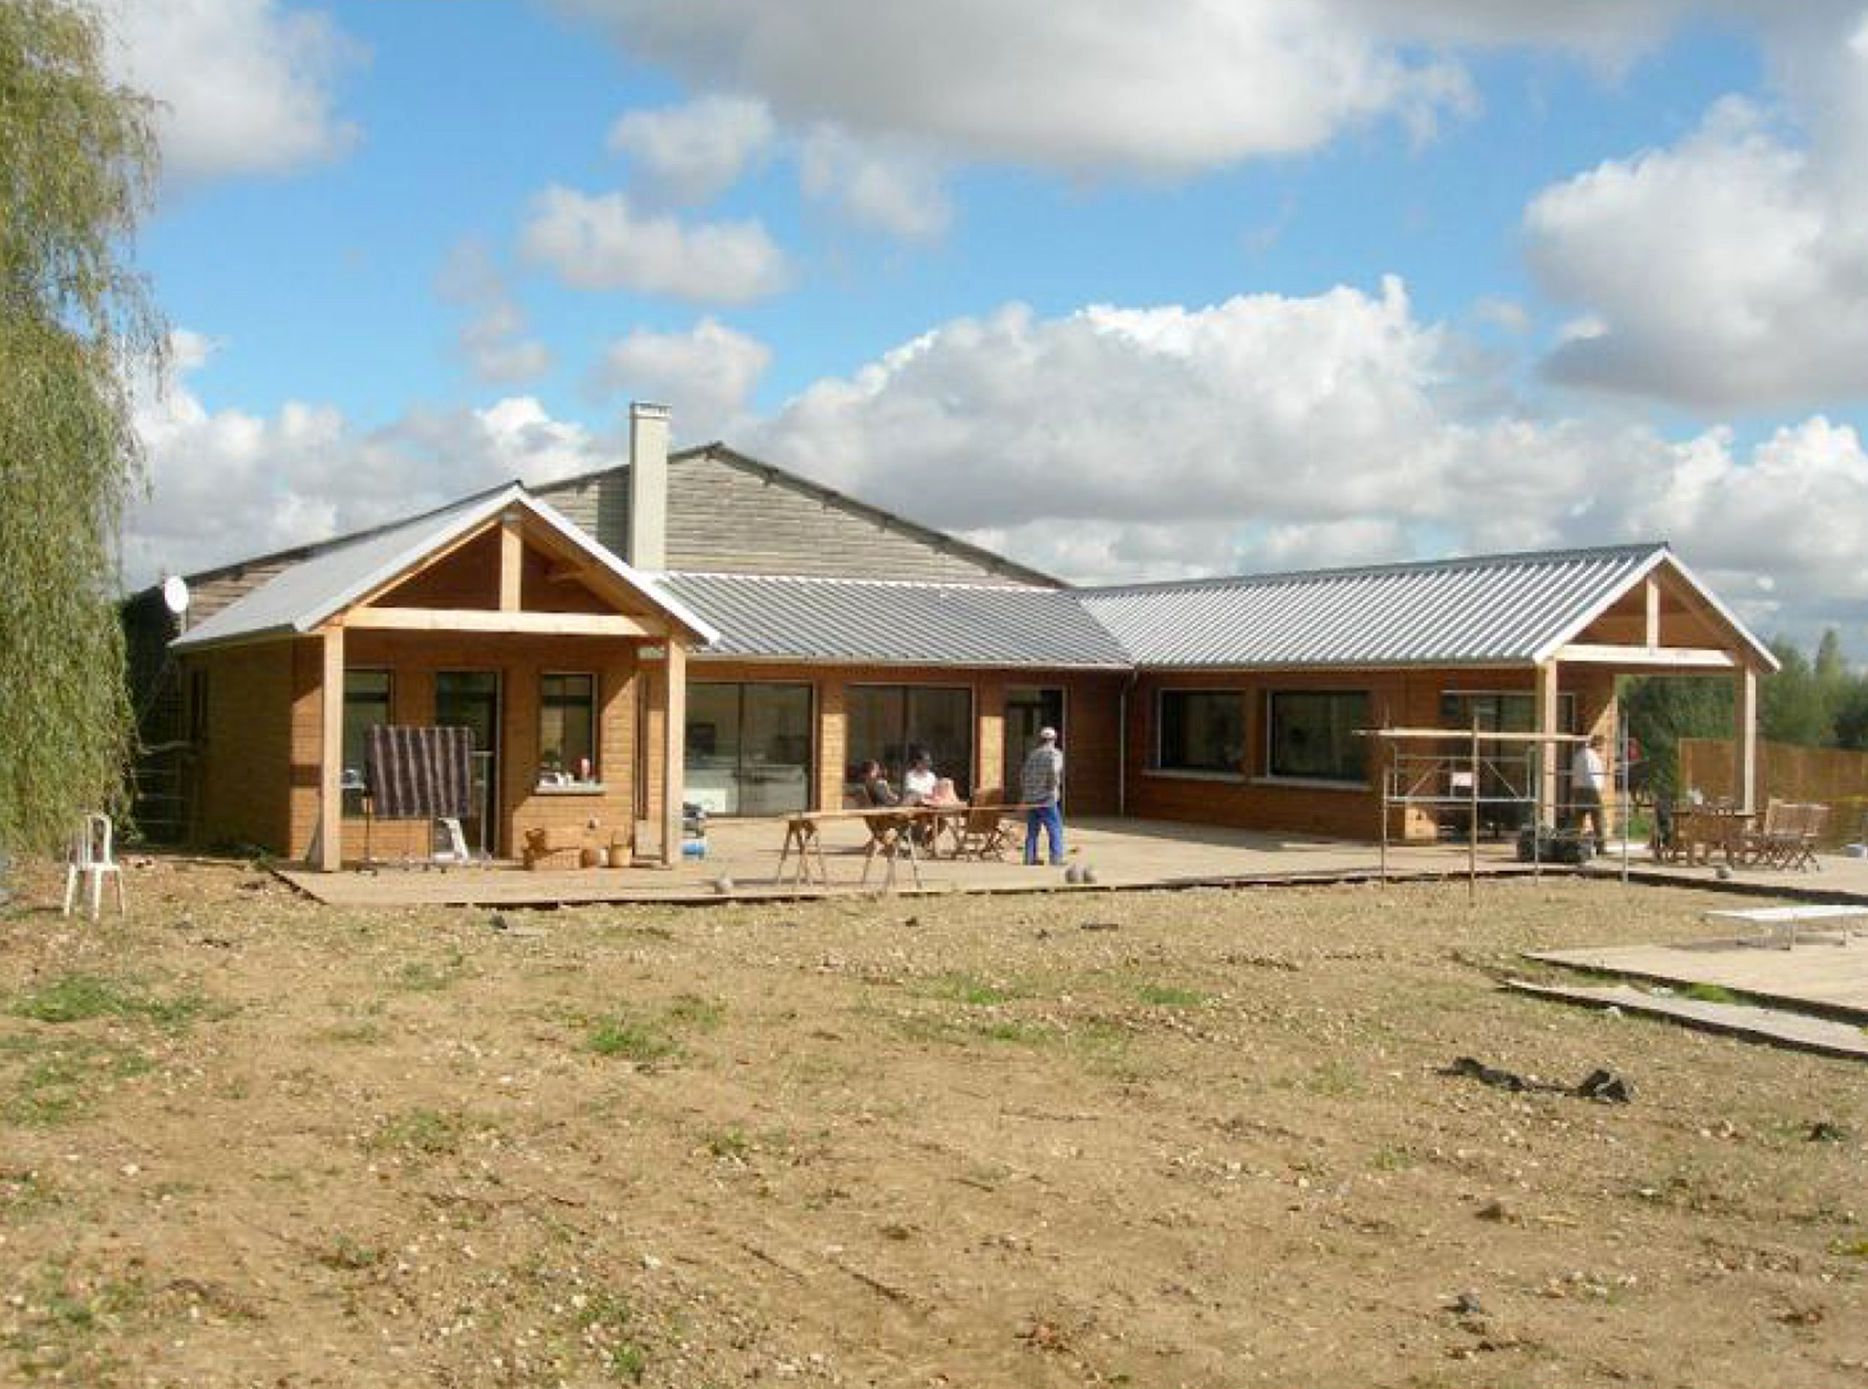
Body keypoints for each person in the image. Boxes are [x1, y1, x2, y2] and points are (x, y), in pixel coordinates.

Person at [1020, 726, 1065, 866]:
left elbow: (1023, 775)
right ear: (1054, 739)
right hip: (1046, 799)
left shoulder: (1033, 754)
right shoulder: (1055, 754)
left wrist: (1027, 793)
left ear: (1041, 739)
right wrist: (1052, 787)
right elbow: (1054, 771)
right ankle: (1056, 859)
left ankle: (1029, 858)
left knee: (1032, 831)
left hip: (1031, 799)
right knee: (1055, 828)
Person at [1570, 732, 1609, 854]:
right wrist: (1599, 790)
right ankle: (1601, 847)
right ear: (1598, 744)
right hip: (1591, 789)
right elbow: (1596, 776)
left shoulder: (1579, 755)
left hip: (1578, 789)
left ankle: (1573, 845)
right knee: (1598, 819)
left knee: (1578, 819)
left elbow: (1575, 773)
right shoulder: (1593, 757)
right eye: (1602, 746)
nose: (1603, 749)